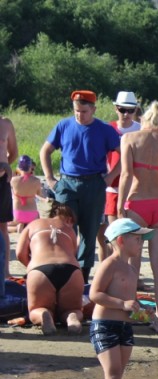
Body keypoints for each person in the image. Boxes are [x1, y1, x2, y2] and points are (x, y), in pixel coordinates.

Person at [40, 90, 121, 281]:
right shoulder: (64, 125)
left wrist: (109, 178)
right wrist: (50, 179)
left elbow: (123, 155)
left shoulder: (104, 129)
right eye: (76, 110)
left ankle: (83, 275)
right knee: (64, 228)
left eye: (84, 111)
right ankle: (64, 268)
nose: (79, 115)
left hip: (94, 183)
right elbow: (45, 151)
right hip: (67, 183)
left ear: (93, 109)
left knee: (89, 231)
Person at [118, 102, 158, 333]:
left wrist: (118, 207)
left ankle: (133, 313)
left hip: (137, 203)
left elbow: (125, 175)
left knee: (133, 264)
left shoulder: (130, 139)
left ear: (143, 119)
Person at [89, 218, 150, 379]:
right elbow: (94, 294)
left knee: (117, 374)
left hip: (125, 326)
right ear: (122, 240)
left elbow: (131, 300)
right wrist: (122, 304)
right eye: (137, 239)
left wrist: (143, 311)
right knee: (113, 372)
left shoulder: (132, 270)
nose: (141, 243)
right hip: (104, 324)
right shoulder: (110, 264)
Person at [15, 202, 84, 335]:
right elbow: (74, 254)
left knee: (36, 309)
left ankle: (43, 314)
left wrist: (32, 268)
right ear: (68, 219)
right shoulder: (69, 230)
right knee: (73, 309)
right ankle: (71, 317)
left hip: (40, 269)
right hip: (71, 270)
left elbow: (19, 253)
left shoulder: (33, 225)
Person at [100, 91, 141, 262]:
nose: (126, 114)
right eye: (122, 109)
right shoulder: (108, 129)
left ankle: (133, 277)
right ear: (116, 108)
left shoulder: (140, 129)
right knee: (114, 235)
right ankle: (112, 275)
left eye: (130, 110)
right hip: (112, 187)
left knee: (135, 236)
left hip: (135, 189)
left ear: (135, 110)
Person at [0, 114, 18, 278]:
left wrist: (5, 165)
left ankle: (5, 270)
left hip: (1, 181)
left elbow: (13, 152)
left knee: (3, 226)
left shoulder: (5, 123)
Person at [10, 156, 41, 232]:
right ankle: (26, 225)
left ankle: (18, 227)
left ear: (19, 167)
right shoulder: (37, 181)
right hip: (32, 214)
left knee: (4, 225)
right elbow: (39, 194)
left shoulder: (13, 180)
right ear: (30, 167)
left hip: (18, 214)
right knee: (37, 220)